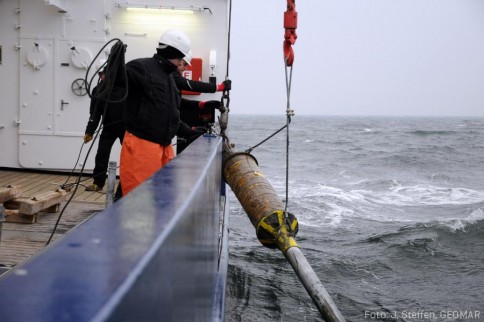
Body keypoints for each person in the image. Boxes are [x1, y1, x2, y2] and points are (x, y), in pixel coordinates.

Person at [120, 29, 204, 195]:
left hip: (164, 148)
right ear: (175, 54)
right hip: (142, 147)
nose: (181, 63)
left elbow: (168, 114)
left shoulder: (169, 77)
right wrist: (116, 64)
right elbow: (114, 82)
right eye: (181, 59)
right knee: (140, 202)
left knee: (163, 200)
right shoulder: (140, 67)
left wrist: (189, 132)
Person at [174, 53, 232, 153]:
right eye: (184, 64)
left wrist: (202, 104)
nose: (186, 68)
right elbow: (191, 85)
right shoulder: (171, 76)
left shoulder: (171, 81)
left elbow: (179, 102)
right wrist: (219, 87)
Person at [83, 72, 125, 195]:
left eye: (105, 74)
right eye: (101, 74)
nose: (103, 76)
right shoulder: (98, 90)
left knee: (129, 155)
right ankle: (98, 182)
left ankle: (128, 182)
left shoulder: (125, 87)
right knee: (102, 153)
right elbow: (95, 114)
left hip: (125, 127)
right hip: (108, 127)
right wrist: (89, 131)